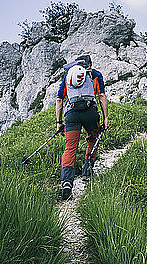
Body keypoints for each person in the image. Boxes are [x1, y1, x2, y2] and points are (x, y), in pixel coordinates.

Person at [56, 54, 109, 200]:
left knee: (70, 148)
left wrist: (59, 122)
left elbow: (60, 99)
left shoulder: (69, 75)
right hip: (90, 114)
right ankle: (87, 169)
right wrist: (105, 117)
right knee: (93, 139)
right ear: (89, 64)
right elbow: (102, 96)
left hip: (72, 115)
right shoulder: (95, 74)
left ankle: (66, 182)